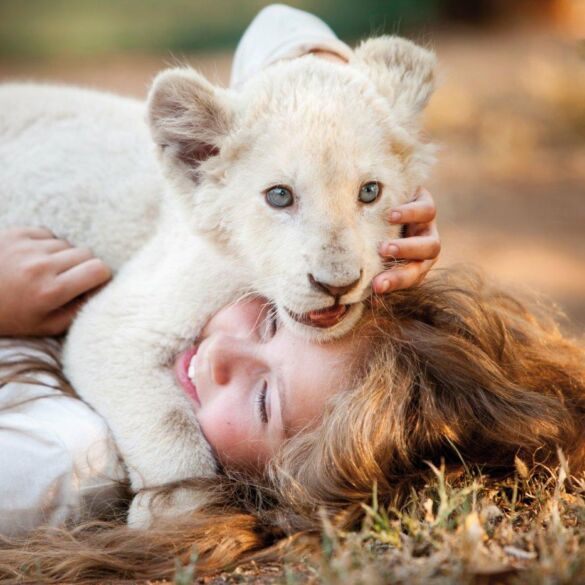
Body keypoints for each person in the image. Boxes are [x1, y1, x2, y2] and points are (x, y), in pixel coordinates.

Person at [0, 5, 440, 536]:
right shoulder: (218, 232)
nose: (340, 267)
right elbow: (107, 347)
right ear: (198, 159)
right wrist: (179, 482)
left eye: (369, 190)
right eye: (281, 197)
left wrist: (364, 141)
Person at [1, 268, 584, 583]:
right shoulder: (177, 290)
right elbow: (276, 43)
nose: (221, 353)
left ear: (279, 491)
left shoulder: (64, 460)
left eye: (262, 402)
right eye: (272, 319)